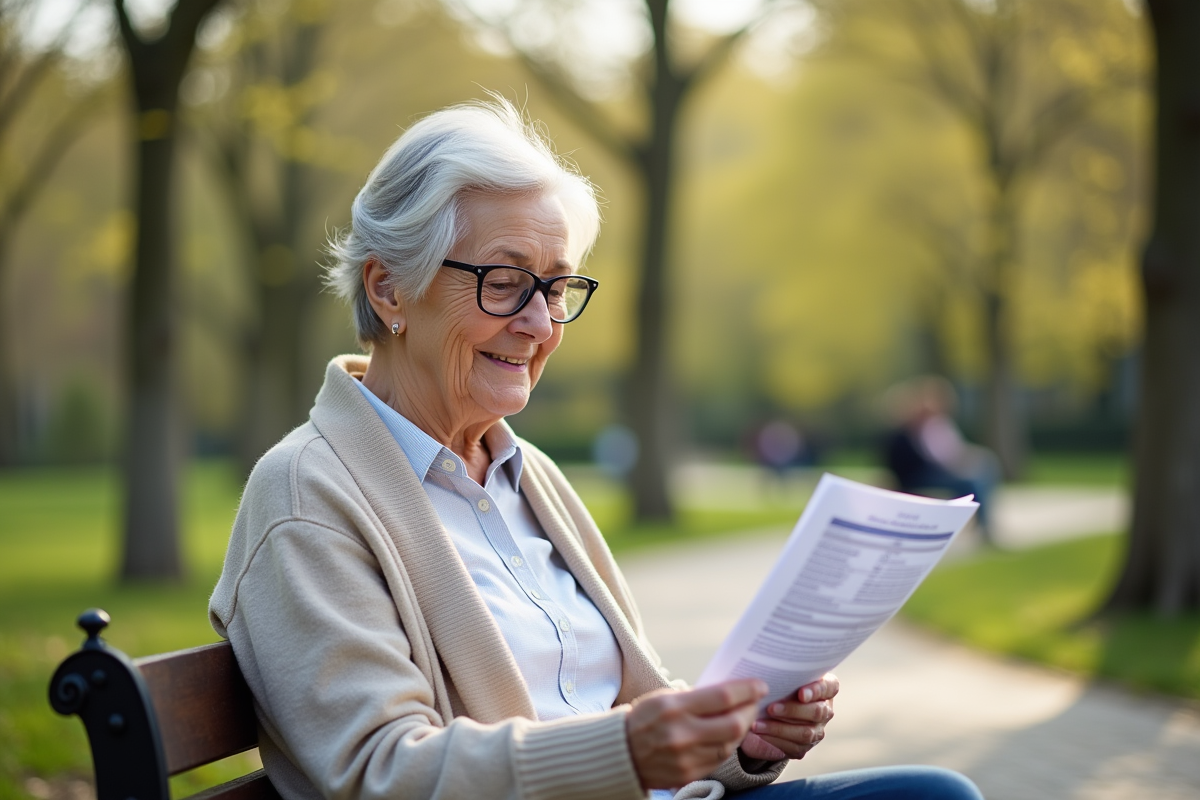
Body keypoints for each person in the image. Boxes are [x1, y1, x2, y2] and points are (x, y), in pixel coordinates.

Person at [210, 98, 984, 800]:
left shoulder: (528, 475)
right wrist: (628, 753)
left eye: (556, 288)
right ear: (387, 289)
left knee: (936, 795)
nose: (541, 325)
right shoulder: (306, 494)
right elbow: (383, 773)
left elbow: (627, 709)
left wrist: (735, 739)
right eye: (505, 282)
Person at [882, 376, 1000, 544]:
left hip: (928, 473)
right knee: (969, 483)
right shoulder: (903, 434)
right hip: (915, 479)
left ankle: (981, 523)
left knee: (983, 470)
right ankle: (982, 526)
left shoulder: (927, 427)